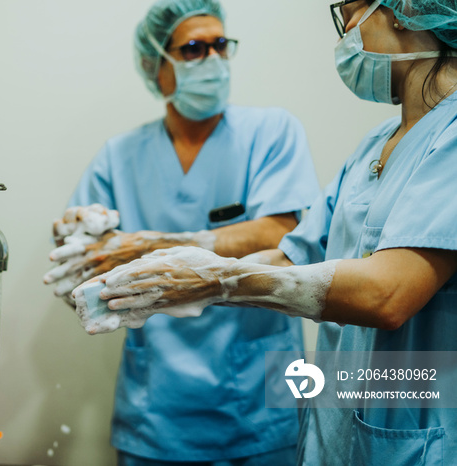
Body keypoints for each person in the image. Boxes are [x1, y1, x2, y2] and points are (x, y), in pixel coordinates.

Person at [87, 0, 457, 464]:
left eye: (349, 13)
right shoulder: (373, 146)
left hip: (414, 427)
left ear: (404, 10)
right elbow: (292, 255)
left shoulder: (452, 139)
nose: (344, 34)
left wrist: (218, 281)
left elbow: (389, 295)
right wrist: (188, 270)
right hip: (338, 421)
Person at [44, 0, 320, 463]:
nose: (212, 61)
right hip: (157, 411)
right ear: (156, 65)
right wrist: (74, 242)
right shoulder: (119, 156)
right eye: (193, 49)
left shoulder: (271, 132)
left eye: (220, 46)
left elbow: (280, 232)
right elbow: (81, 268)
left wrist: (156, 246)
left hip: (258, 404)